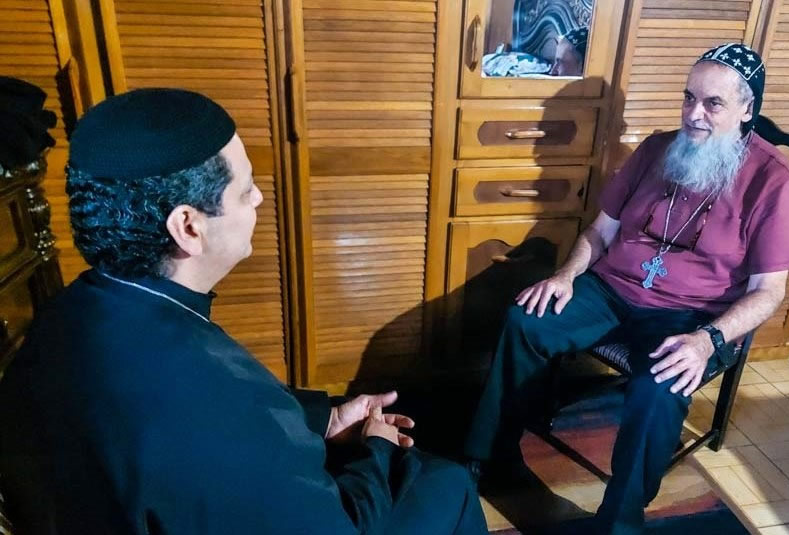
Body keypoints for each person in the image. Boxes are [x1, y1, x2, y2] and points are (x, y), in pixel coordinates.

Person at [0, 88, 487, 535]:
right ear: (188, 226)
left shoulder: (72, 310)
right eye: (245, 189)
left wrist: (326, 418)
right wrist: (377, 448)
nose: (258, 197)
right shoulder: (204, 403)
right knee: (446, 483)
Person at [463, 43, 789, 534]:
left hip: (694, 317)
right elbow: (599, 232)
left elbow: (769, 292)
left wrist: (707, 341)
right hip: (611, 290)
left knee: (660, 386)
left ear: (746, 109)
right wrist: (565, 276)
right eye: (689, 97)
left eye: (713, 103)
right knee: (528, 318)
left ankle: (619, 522)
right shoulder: (656, 149)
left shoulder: (777, 182)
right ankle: (491, 457)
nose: (693, 114)